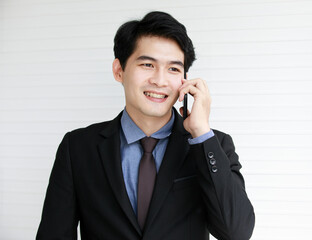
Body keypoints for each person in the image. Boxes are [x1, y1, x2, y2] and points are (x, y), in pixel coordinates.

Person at [36, 11, 255, 240]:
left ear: (185, 79)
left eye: (173, 69)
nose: (160, 81)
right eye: (148, 64)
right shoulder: (77, 147)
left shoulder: (213, 144)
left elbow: (236, 232)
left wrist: (200, 133)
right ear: (119, 70)